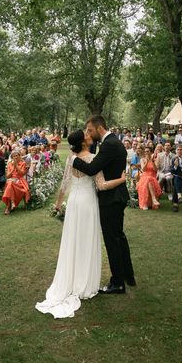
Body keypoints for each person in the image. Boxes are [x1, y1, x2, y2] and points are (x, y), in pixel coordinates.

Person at [35, 130, 127, 318]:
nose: (88, 135)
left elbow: (64, 183)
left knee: (73, 240)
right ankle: (84, 283)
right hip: (88, 203)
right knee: (86, 242)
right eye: (86, 134)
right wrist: (122, 179)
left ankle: (72, 279)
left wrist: (58, 204)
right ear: (83, 143)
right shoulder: (93, 158)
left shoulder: (71, 157)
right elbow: (101, 185)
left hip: (74, 202)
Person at [71, 115, 134, 294]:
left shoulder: (108, 145)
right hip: (117, 197)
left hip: (111, 199)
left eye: (90, 130)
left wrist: (74, 160)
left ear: (99, 129)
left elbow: (91, 169)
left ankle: (118, 283)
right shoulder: (115, 141)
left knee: (112, 240)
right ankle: (128, 276)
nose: (88, 134)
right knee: (119, 237)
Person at [2, 149, 30, 215]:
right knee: (10, 183)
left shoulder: (23, 163)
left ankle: (8, 206)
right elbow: (8, 176)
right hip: (11, 180)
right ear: (12, 157)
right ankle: (12, 202)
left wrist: (16, 166)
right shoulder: (9, 164)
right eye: (14, 156)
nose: (16, 157)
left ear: (19, 156)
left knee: (10, 184)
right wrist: (12, 169)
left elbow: (22, 174)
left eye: (17, 155)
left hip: (20, 180)